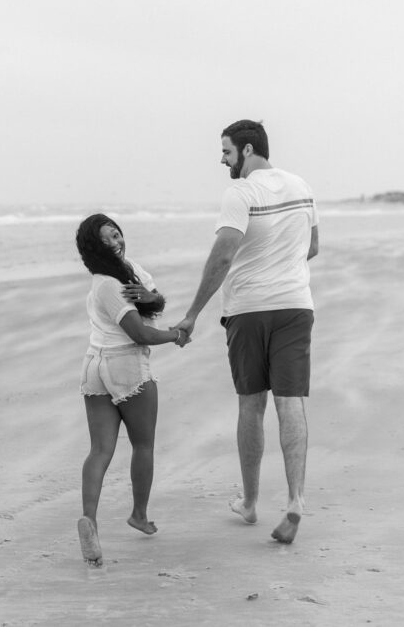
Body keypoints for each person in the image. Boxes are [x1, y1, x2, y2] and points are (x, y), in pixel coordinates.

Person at [173, 120, 318, 544]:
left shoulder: (240, 192)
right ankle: (295, 501)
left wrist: (192, 313)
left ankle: (251, 503)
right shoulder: (302, 186)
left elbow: (223, 254)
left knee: (251, 405)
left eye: (226, 152)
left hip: (249, 311)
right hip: (295, 306)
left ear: (248, 149)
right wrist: (282, 264)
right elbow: (311, 248)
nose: (222, 159)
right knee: (291, 404)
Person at [74, 213, 188, 567]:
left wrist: (151, 296)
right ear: (96, 248)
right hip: (124, 364)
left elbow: (154, 303)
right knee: (143, 445)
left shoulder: (126, 272)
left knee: (100, 450)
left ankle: (89, 520)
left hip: (94, 364)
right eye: (107, 239)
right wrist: (176, 334)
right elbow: (139, 332)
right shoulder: (109, 283)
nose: (116, 242)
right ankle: (139, 514)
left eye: (117, 233)